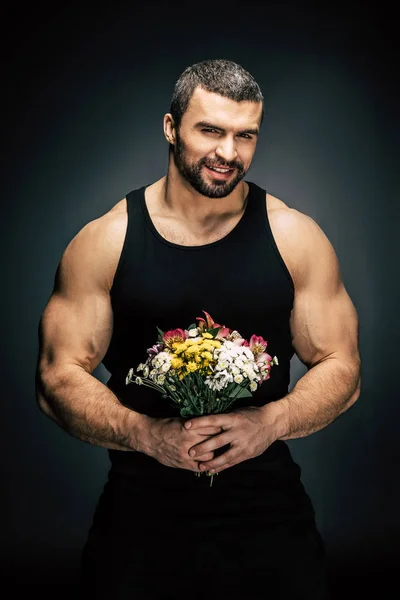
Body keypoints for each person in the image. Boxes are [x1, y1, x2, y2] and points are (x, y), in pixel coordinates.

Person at [35, 59, 361, 599]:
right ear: (171, 128)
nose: (228, 153)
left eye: (245, 136)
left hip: (268, 513)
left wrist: (271, 421)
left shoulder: (294, 236)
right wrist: (144, 434)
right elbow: (56, 376)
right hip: (140, 514)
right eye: (210, 130)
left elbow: (343, 366)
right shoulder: (106, 241)